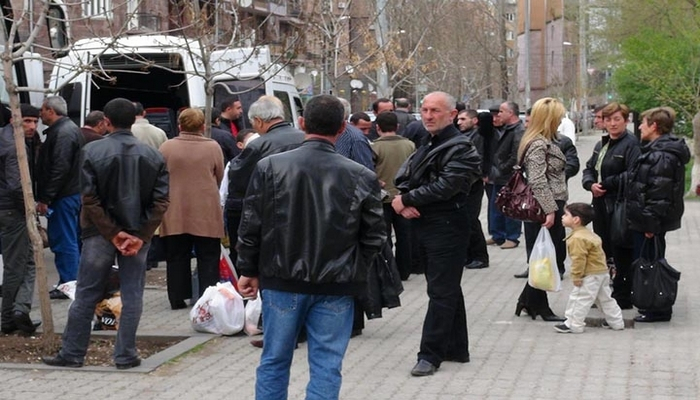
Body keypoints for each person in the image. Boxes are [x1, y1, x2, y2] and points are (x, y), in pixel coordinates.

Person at [236, 94, 385, 400]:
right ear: (343, 127)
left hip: (282, 280)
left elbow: (251, 224)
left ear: (302, 123)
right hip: (336, 284)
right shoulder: (360, 175)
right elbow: (374, 236)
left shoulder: (269, 167)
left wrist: (248, 269)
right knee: (327, 365)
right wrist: (354, 269)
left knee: (275, 360)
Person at [42, 97, 169, 369]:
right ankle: (125, 354)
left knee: (87, 292)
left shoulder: (93, 151)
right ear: (134, 119)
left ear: (106, 122)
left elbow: (90, 199)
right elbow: (160, 202)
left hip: (99, 232)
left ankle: (73, 353)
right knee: (133, 293)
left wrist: (113, 234)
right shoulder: (153, 154)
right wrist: (139, 235)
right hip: (137, 233)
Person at [392, 91, 481, 377]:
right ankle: (456, 347)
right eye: (425, 110)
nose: (428, 116)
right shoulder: (428, 142)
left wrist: (407, 200)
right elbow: (406, 176)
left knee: (441, 291)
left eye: (435, 111)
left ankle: (429, 355)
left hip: (448, 228)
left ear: (452, 114)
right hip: (427, 224)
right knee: (446, 287)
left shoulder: (462, 147)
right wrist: (405, 199)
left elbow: (446, 186)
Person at [625, 107, 690, 322]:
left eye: (643, 122)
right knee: (650, 261)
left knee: (652, 263)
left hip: (650, 223)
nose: (640, 127)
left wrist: (650, 225)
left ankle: (657, 307)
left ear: (654, 126)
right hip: (646, 220)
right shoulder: (655, 150)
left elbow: (659, 195)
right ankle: (652, 304)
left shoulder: (661, 155)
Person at [226, 95, 304, 266]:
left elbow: (239, 183)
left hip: (272, 216)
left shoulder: (257, 146)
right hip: (305, 212)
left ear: (259, 121)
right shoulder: (305, 138)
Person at [159, 108, 225, 310]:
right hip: (205, 208)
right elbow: (220, 175)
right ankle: (208, 297)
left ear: (180, 125)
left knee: (176, 255)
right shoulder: (213, 147)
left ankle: (177, 297)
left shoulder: (166, 147)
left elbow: (159, 176)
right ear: (202, 126)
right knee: (208, 255)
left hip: (175, 208)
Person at [513, 97, 568, 322]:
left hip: (549, 205)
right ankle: (539, 305)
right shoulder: (538, 144)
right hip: (544, 207)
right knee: (546, 257)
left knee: (544, 255)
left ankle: (527, 300)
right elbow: (537, 180)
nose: (562, 119)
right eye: (559, 116)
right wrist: (550, 210)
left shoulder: (542, 140)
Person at [581, 102, 640, 310]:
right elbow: (588, 168)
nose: (612, 124)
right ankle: (605, 293)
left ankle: (623, 295)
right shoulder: (602, 144)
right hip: (600, 206)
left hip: (620, 205)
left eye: (617, 119)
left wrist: (606, 184)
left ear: (626, 121)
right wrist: (590, 184)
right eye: (608, 120)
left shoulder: (631, 144)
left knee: (621, 250)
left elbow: (632, 174)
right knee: (603, 250)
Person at [36, 96, 85, 299]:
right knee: (70, 239)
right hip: (71, 193)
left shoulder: (63, 133)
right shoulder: (69, 129)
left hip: (64, 195)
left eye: (42, 110)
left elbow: (59, 168)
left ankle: (69, 283)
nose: (40, 114)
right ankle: (71, 281)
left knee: (64, 241)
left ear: (50, 110)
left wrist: (46, 198)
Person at [0, 104, 42, 334]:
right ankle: (10, 316)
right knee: (18, 265)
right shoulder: (14, 146)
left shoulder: (5, 137)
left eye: (35, 122)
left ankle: (19, 310)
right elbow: (17, 185)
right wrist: (29, 210)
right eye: (27, 121)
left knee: (24, 261)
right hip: (12, 210)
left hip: (6, 208)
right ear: (13, 120)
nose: (32, 127)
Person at [554, 203, 624, 333]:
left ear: (576, 219)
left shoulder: (577, 238)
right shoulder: (589, 234)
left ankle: (573, 324)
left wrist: (576, 276)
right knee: (605, 299)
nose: (562, 217)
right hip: (601, 272)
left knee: (579, 299)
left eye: (566, 214)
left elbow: (578, 259)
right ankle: (616, 322)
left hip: (589, 274)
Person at [371, 111, 415, 280]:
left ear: (377, 127)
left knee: (385, 237)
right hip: (404, 198)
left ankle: (389, 270)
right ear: (397, 127)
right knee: (405, 237)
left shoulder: (374, 147)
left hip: (382, 198)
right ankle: (404, 270)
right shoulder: (409, 145)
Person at [486, 101, 524, 249]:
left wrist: (502, 168)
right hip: (499, 176)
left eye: (501, 112)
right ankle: (498, 235)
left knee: (511, 207)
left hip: (509, 176)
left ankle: (512, 237)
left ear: (511, 113)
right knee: (497, 206)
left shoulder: (518, 131)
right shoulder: (506, 129)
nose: (498, 115)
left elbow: (516, 156)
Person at [459, 109, 489, 270]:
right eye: (459, 119)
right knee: (466, 221)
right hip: (465, 184)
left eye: (463, 119)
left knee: (471, 220)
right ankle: (469, 255)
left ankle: (480, 256)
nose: (459, 122)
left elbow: (478, 161)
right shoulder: (465, 136)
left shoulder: (478, 137)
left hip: (473, 184)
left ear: (474, 120)